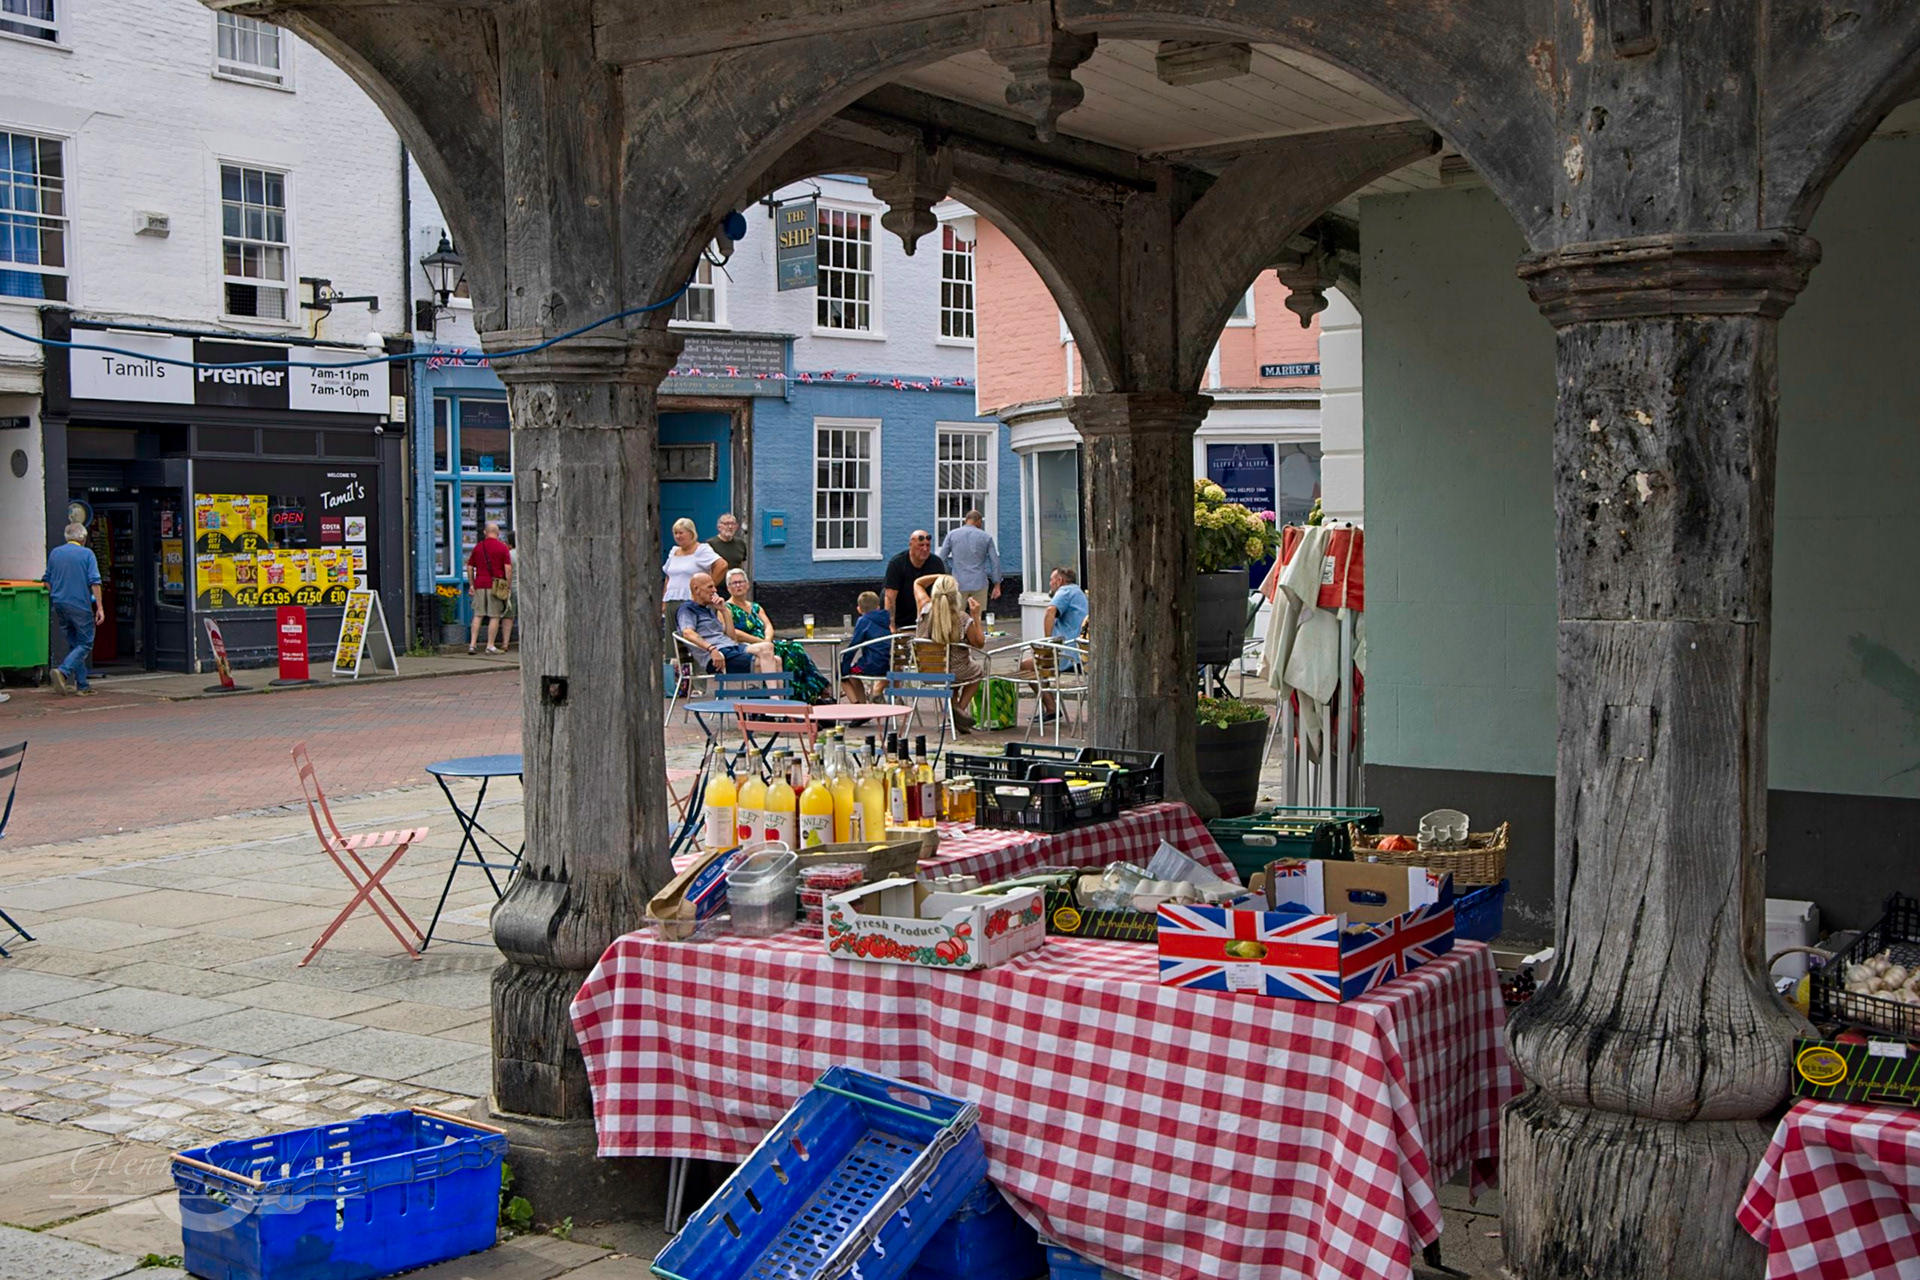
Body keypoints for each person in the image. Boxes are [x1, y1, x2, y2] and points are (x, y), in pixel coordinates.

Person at [722, 568, 831, 702]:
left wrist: (767, 640)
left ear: (748, 585)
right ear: (728, 588)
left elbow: (768, 626)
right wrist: (760, 642)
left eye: (741, 582)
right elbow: (733, 633)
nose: (738, 585)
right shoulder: (726, 608)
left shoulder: (755, 607)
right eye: (734, 583)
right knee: (791, 653)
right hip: (748, 648)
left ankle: (799, 695)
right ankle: (811, 692)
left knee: (794, 650)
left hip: (767, 645)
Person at [912, 573, 987, 732]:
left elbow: (918, 582)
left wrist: (940, 576)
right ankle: (959, 709)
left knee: (953, 673)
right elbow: (979, 643)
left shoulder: (924, 611)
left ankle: (956, 712)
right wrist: (976, 616)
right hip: (956, 673)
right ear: (957, 596)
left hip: (928, 674)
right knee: (978, 671)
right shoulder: (962, 618)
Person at [43, 523, 102, 696]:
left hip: (59, 604)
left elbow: (47, 580)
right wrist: (100, 607)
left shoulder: (55, 553)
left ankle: (83, 685)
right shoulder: (87, 554)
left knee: (74, 644)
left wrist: (56, 595)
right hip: (79, 605)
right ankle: (63, 671)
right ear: (83, 538)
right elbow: (95, 581)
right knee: (85, 643)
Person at [677, 573, 776, 674]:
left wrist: (724, 611)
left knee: (771, 652)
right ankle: (771, 690)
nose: (715, 590)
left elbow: (732, 638)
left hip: (732, 648)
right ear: (697, 589)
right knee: (768, 662)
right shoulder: (687, 609)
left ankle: (775, 690)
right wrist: (711, 649)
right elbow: (687, 633)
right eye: (710, 587)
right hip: (719, 656)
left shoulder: (708, 610)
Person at [1021, 566, 1089, 714]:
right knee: (1036, 664)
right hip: (1080, 654)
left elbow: (1051, 610)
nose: (1050, 584)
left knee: (1027, 667)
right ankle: (1051, 707)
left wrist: (1048, 641)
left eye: (1051, 580)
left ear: (1059, 581)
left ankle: (1051, 708)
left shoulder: (1065, 591)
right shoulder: (1079, 593)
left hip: (1067, 654)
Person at [936, 511, 1002, 616]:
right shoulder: (986, 537)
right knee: (977, 618)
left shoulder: (952, 535)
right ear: (979, 521)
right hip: (979, 582)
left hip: (958, 582)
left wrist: (949, 573)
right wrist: (997, 584)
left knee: (956, 618)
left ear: (966, 520)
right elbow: (995, 561)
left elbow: (941, 558)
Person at [882, 530, 945, 634]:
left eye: (928, 545)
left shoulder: (936, 563)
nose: (925, 549)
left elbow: (942, 595)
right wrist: (891, 625)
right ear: (911, 545)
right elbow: (890, 598)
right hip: (901, 619)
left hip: (926, 620)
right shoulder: (897, 564)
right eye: (920, 545)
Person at [465, 520, 512, 654]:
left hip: (480, 584)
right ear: (498, 533)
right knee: (494, 616)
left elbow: (469, 567)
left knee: (478, 614)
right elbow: (508, 569)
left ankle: (472, 645)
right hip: (496, 585)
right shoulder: (502, 547)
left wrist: (472, 584)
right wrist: (507, 586)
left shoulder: (478, 547)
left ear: (485, 532)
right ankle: (490, 646)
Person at [663, 517, 725, 616]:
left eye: (681, 533)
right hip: (672, 600)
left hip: (693, 601)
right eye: (675, 533)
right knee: (672, 631)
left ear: (691, 533)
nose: (678, 536)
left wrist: (708, 588)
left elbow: (722, 565)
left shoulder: (701, 550)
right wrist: (664, 602)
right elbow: (668, 578)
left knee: (690, 630)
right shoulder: (674, 551)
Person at [839, 590, 891, 703]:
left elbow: (854, 645)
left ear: (859, 609)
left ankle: (860, 707)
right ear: (878, 607)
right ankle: (863, 707)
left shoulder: (864, 621)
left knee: (845, 674)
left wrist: (844, 667)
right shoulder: (888, 618)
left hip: (871, 665)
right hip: (890, 665)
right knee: (852, 671)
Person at [708, 513, 749, 578]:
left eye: (732, 524)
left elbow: (742, 564)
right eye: (726, 524)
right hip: (718, 585)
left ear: (736, 527)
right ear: (719, 527)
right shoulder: (710, 544)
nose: (730, 527)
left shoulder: (741, 543)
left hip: (735, 585)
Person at [499, 529, 519, 651]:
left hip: (511, 588)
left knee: (508, 616)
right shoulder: (527, 553)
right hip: (525, 589)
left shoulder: (508, 555)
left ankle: (505, 643)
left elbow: (505, 572)